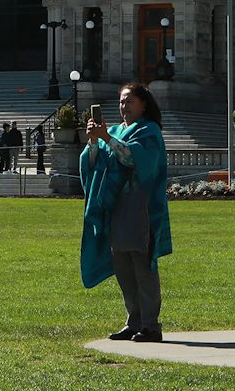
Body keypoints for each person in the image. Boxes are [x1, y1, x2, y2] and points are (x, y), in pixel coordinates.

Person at [80, 83, 172, 343]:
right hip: (116, 207)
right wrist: (95, 141)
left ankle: (151, 325)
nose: (124, 106)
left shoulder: (149, 131)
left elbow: (135, 159)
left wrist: (108, 139)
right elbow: (93, 163)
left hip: (141, 207)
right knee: (123, 268)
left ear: (144, 104)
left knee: (143, 267)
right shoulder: (116, 130)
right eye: (121, 102)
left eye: (129, 101)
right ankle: (133, 322)